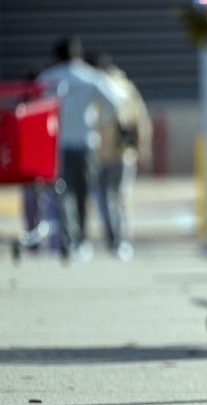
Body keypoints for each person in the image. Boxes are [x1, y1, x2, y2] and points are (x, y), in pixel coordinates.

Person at [37, 36, 123, 258]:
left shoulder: (48, 78)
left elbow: (33, 107)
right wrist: (99, 121)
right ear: (78, 54)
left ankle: (69, 239)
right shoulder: (91, 77)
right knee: (84, 195)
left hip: (58, 145)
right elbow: (114, 102)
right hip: (86, 143)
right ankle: (81, 239)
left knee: (64, 193)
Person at [86, 51, 152, 260]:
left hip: (101, 152)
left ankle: (115, 239)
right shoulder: (126, 85)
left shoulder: (96, 86)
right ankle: (121, 240)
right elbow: (141, 118)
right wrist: (143, 147)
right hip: (126, 150)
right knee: (120, 197)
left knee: (105, 198)